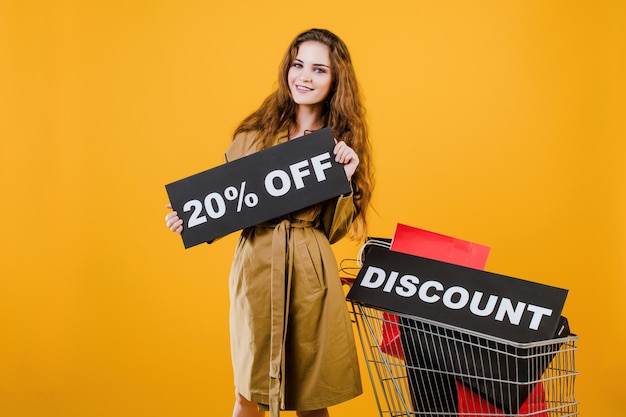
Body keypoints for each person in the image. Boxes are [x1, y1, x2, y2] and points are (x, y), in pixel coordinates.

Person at [165, 28, 374, 417]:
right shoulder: (255, 134)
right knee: (249, 392)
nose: (305, 77)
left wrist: (344, 179)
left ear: (335, 81)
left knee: (312, 397)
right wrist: (190, 218)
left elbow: (333, 231)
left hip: (310, 270)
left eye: (318, 69)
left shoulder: (339, 146)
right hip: (257, 266)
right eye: (298, 65)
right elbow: (224, 202)